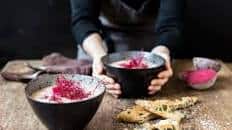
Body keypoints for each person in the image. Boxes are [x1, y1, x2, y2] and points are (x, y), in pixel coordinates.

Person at [70, 0, 183, 98]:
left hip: (153, 45)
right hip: (98, 44)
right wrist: (98, 55)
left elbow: (170, 24)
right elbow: (83, 20)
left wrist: (162, 53)